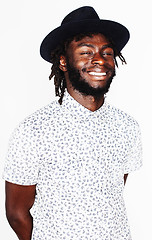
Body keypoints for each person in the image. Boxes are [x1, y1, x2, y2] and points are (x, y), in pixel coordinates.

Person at [3, 6, 142, 240]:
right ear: (64, 62)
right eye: (86, 52)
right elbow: (17, 213)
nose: (99, 60)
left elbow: (112, 191)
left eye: (107, 53)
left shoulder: (127, 127)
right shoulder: (33, 131)